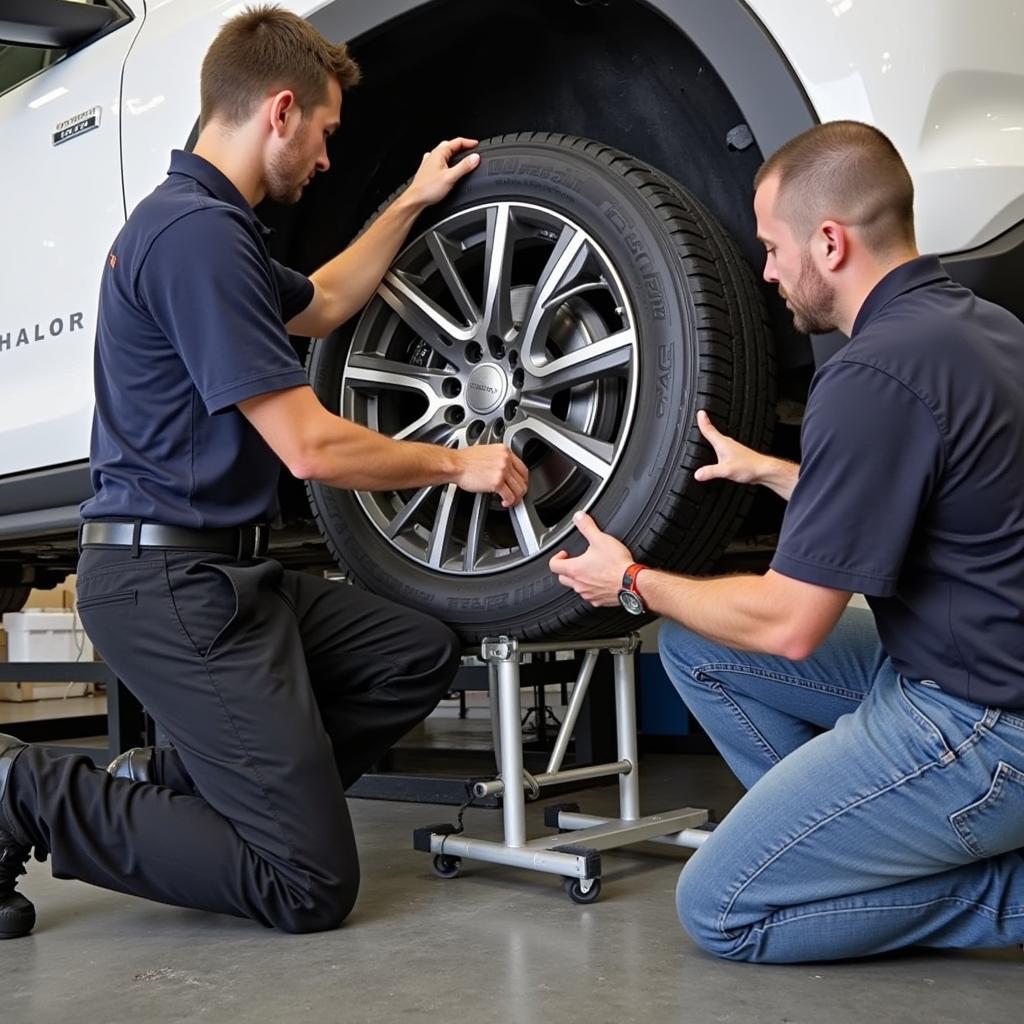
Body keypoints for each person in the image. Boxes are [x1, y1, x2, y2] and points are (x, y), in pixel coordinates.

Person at [0, 5, 528, 939]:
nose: (326, 160)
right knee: (306, 885)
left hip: (233, 576)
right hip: (169, 584)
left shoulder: (220, 233)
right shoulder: (192, 238)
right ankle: (21, 789)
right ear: (279, 111)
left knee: (412, 654)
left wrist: (409, 199)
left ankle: (181, 788)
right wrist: (459, 463)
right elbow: (311, 448)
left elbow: (322, 302)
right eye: (324, 134)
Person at [549, 120, 1024, 963]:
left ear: (830, 242)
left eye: (773, 247)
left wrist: (632, 582)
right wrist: (775, 472)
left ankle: (987, 888)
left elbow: (790, 625)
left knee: (723, 907)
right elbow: (946, 505)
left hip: (981, 728)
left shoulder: (868, 372)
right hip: (968, 670)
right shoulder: (985, 331)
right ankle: (837, 835)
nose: (766, 271)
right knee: (698, 647)